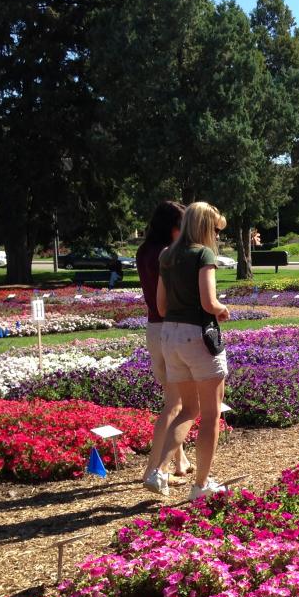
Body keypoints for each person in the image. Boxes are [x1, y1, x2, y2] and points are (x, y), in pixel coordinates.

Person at [147, 202, 231, 501]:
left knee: (187, 409)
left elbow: (160, 306)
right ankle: (202, 483)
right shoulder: (202, 254)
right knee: (210, 415)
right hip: (198, 336)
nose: (217, 237)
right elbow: (209, 302)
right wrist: (222, 309)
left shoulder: (166, 255)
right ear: (205, 227)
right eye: (215, 230)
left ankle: (157, 469)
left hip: (170, 335)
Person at [137, 201, 190, 492]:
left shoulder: (144, 251)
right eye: (181, 226)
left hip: (153, 328)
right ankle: (154, 467)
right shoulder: (167, 255)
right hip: (170, 327)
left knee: (174, 397)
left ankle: (180, 460)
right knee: (176, 404)